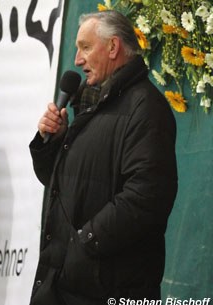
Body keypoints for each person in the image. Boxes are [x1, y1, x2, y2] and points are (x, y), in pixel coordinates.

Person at [29, 10, 178, 305]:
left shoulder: (146, 108)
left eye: (85, 47)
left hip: (107, 289)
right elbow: (63, 185)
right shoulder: (89, 107)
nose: (77, 60)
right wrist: (54, 144)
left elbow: (147, 196)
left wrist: (84, 243)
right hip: (61, 285)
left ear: (113, 47)